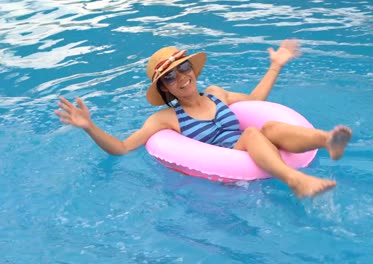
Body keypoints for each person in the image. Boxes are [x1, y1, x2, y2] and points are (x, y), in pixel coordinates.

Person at [55, 39, 352, 198]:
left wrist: (275, 65)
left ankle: (327, 140)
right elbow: (122, 147)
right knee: (252, 135)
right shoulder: (167, 118)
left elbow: (256, 101)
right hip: (227, 168)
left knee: (270, 126)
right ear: (165, 89)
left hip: (251, 148)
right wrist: (89, 127)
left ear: (192, 70)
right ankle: (295, 181)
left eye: (183, 69)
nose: (181, 78)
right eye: (170, 77)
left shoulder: (216, 93)